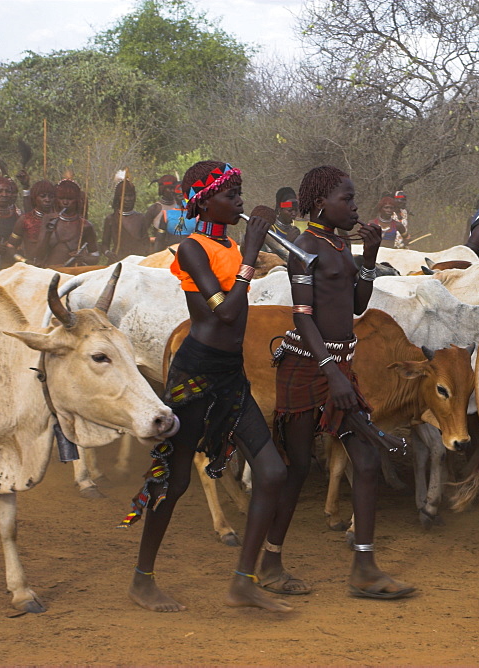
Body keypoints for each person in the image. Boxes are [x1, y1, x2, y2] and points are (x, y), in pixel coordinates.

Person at [123, 160, 291, 614]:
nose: (239, 201)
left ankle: (244, 581)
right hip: (195, 375)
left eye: (239, 192)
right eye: (230, 194)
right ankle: (143, 579)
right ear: (204, 200)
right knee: (174, 482)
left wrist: (254, 250)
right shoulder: (191, 249)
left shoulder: (229, 246)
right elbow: (226, 314)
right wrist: (252, 255)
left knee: (273, 473)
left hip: (230, 376)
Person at [268, 165, 415, 600]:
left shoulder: (338, 245)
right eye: (346, 200)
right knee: (296, 469)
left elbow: (356, 305)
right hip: (306, 365)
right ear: (320, 204)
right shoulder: (303, 247)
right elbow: (302, 316)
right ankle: (270, 562)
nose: (355, 207)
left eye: (353, 199)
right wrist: (332, 372)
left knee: (366, 462)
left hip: (339, 367)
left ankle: (364, 569)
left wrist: (368, 257)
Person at [38, 179, 99, 267]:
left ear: (77, 200)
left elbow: (95, 257)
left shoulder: (85, 226)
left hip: (72, 274)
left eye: (70, 199)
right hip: (50, 273)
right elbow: (38, 255)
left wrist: (83, 258)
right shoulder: (48, 219)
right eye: (61, 198)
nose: (65, 202)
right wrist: (47, 232)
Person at [102, 179, 153, 260]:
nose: (128, 199)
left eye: (131, 195)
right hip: (118, 260)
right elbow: (104, 245)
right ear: (118, 197)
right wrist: (108, 253)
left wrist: (145, 256)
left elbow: (146, 243)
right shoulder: (111, 219)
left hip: (137, 261)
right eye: (124, 195)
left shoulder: (141, 218)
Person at [6, 180, 54, 265]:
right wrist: (24, 261)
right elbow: (10, 246)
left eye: (51, 197)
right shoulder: (25, 220)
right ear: (34, 198)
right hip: (32, 269)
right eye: (43, 196)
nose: (47, 200)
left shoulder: (60, 220)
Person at [148, 175, 190, 251]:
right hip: (168, 252)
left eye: (173, 188)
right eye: (169, 188)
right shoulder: (159, 211)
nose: (171, 191)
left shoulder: (195, 215)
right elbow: (159, 240)